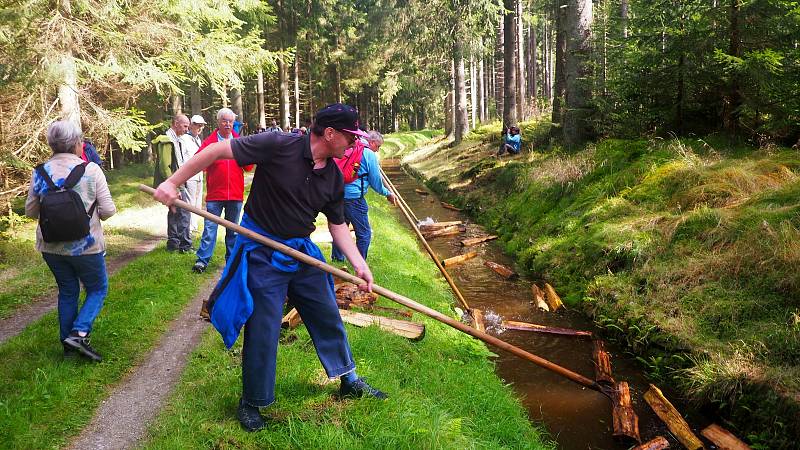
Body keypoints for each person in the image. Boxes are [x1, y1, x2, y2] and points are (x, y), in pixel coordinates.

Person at [152, 103, 387, 433]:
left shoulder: (333, 176)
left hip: (300, 250)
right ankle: (252, 400)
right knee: (263, 325)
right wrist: (174, 182)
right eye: (351, 136)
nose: (355, 143)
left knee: (325, 311)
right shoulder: (279, 144)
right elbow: (219, 149)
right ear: (330, 133)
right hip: (262, 249)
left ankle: (349, 379)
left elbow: (337, 227)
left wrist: (359, 265)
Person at [25, 120, 117, 361]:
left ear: (52, 144)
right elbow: (108, 210)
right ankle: (79, 333)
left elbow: (31, 212)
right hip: (86, 247)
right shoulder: (91, 170)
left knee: (67, 290)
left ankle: (68, 349)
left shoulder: (40, 172)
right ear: (77, 143)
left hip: (51, 246)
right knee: (97, 288)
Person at [192, 108, 253, 274]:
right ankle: (202, 261)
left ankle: (231, 262)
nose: (227, 124)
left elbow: (248, 166)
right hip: (214, 196)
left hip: (235, 194)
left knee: (233, 231)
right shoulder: (210, 142)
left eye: (230, 121)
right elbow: (198, 162)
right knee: (210, 229)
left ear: (234, 123)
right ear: (218, 122)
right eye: (224, 121)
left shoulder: (240, 142)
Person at [331, 130, 396, 262]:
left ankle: (337, 258)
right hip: (354, 199)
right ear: (371, 142)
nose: (377, 150)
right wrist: (387, 193)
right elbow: (375, 182)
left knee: (341, 229)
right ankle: (360, 263)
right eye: (378, 146)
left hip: (338, 195)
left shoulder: (351, 147)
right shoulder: (368, 154)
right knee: (364, 234)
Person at [153, 114, 193, 252]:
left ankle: (173, 244)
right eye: (185, 126)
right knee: (184, 212)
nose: (187, 129)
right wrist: (173, 185)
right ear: (176, 123)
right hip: (176, 184)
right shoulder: (167, 140)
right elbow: (165, 167)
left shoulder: (177, 140)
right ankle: (185, 245)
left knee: (174, 212)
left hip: (178, 182)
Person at [183, 115, 206, 234]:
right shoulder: (184, 139)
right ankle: (189, 227)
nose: (199, 127)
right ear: (191, 125)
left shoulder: (198, 139)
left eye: (201, 125)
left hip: (199, 174)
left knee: (197, 201)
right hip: (190, 175)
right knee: (190, 201)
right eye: (197, 125)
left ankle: (194, 225)